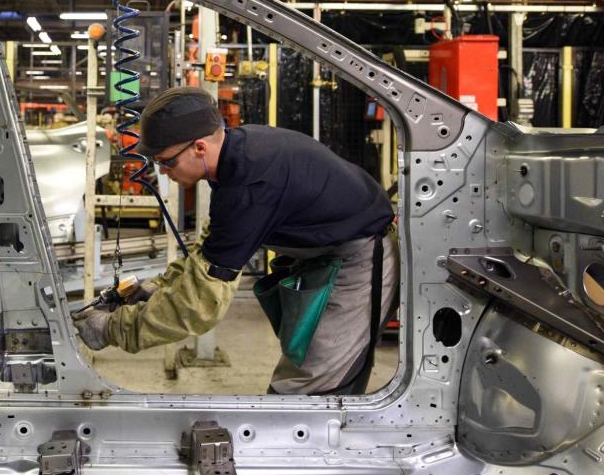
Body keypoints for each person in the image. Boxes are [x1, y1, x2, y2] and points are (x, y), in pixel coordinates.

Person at [73, 87, 398, 395]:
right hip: (329, 252)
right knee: (306, 365)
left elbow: (198, 307)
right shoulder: (235, 157)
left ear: (199, 147)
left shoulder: (249, 182)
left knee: (312, 388)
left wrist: (110, 329)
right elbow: (212, 249)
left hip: (361, 257)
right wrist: (156, 287)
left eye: (166, 161)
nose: (163, 172)